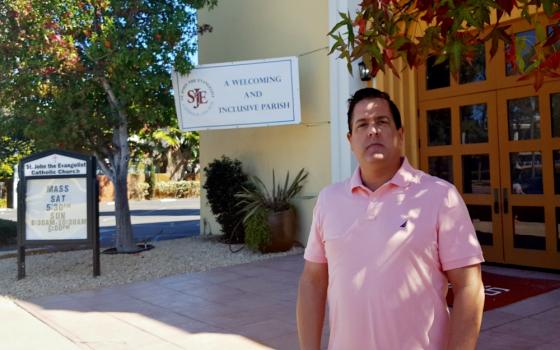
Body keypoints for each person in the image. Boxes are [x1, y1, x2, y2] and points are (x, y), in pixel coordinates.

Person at [296, 88, 485, 350]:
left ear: (400, 134)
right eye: (362, 124)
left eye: (382, 122)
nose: (372, 130)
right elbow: (313, 282)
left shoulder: (439, 196)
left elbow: (469, 287)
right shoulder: (329, 200)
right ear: (350, 140)